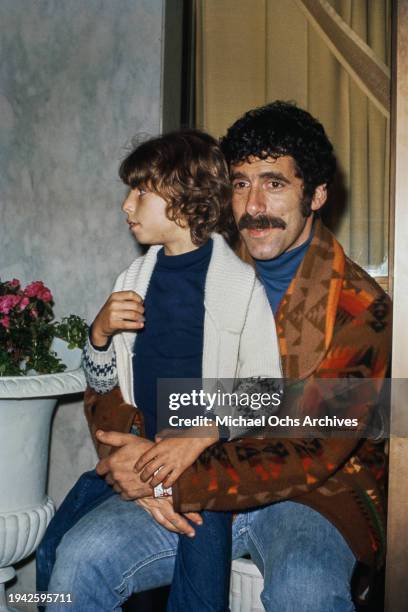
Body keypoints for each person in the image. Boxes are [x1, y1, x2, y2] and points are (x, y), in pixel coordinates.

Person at [45, 101, 391, 612]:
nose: (252, 206)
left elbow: (319, 441)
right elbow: (119, 382)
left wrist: (173, 471)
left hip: (312, 493)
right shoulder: (190, 266)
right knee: (76, 561)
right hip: (179, 476)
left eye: (274, 184)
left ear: (316, 194)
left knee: (305, 589)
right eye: (240, 183)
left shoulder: (363, 308)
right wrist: (134, 460)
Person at [39, 128, 282, 611]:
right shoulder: (131, 281)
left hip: (202, 470)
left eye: (141, 191)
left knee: (198, 596)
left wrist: (205, 430)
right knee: (51, 550)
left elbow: (267, 394)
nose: (127, 206)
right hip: (136, 459)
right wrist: (98, 335)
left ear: (185, 199)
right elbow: (104, 386)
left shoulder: (239, 289)